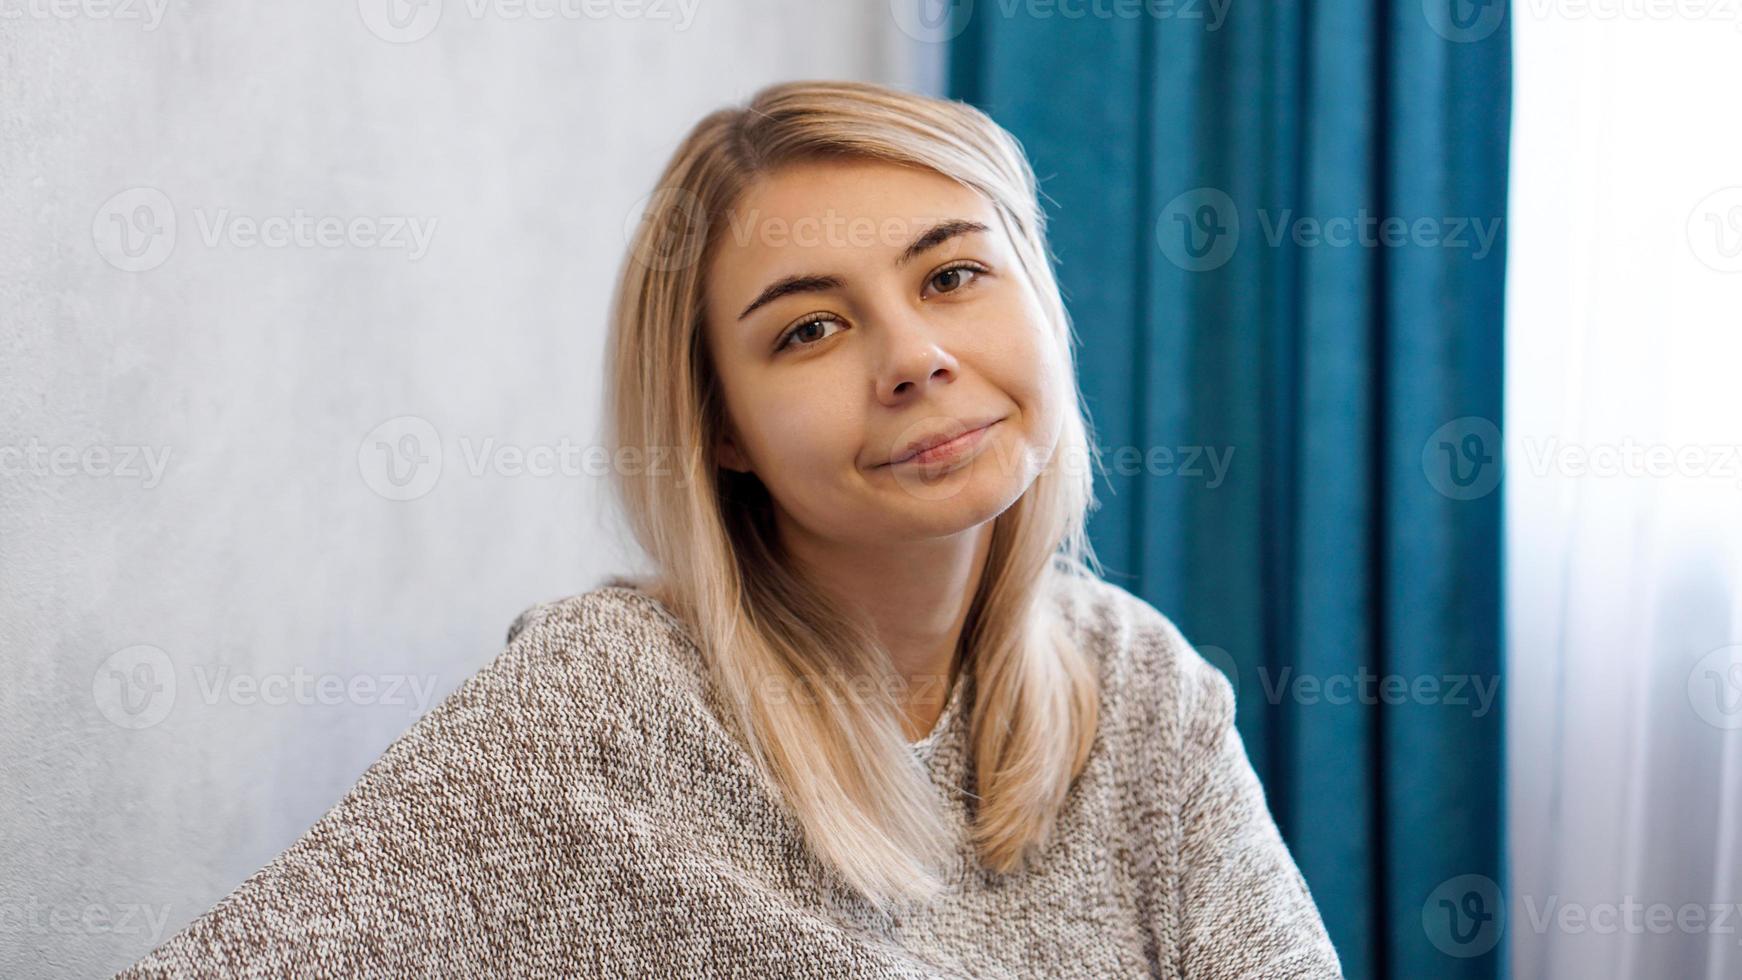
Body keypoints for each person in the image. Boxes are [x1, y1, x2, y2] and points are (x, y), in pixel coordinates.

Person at [116, 79, 1342, 979]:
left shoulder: (1133, 680)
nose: (913, 357)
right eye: (808, 328)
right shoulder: (608, 697)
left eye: (951, 275)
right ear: (721, 429)